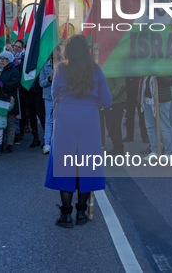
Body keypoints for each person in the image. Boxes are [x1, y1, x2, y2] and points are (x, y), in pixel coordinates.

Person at [45, 35, 112, 228]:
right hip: (89, 118)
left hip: (65, 117)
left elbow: (55, 94)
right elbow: (107, 101)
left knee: (65, 164)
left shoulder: (61, 70)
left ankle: (66, 214)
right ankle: (81, 212)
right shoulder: (96, 71)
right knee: (87, 164)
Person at [140, 76, 172, 160]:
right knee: (150, 127)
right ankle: (154, 150)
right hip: (147, 100)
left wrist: (158, 77)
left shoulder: (163, 64)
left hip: (162, 100)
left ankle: (169, 153)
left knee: (164, 128)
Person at [0, 51, 20, 153]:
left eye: (4, 58)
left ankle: (9, 144)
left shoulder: (13, 71)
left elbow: (15, 83)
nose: (2, 60)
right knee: (0, 123)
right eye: (0, 58)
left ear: (9, 60)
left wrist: (2, 85)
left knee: (10, 122)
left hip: (9, 99)